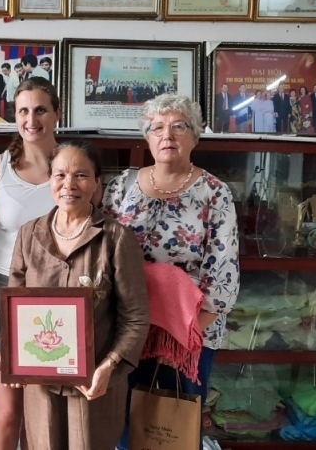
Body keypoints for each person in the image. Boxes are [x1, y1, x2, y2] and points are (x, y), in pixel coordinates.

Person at [102, 94, 240, 450]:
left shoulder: (215, 193)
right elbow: (101, 255)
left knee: (170, 427)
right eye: (157, 127)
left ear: (195, 136)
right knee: (123, 421)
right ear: (146, 137)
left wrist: (178, 337)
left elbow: (222, 277)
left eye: (179, 126)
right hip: (127, 329)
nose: (167, 135)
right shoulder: (121, 186)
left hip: (190, 333)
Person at [6, 140, 150, 450]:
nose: (69, 184)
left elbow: (135, 317)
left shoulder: (116, 239)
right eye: (60, 175)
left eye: (81, 175)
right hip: (40, 382)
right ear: (49, 179)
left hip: (94, 382)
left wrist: (109, 366)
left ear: (97, 182)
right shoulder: (29, 235)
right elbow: (14, 307)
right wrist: (15, 358)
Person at [0, 77, 61, 450]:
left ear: (56, 114)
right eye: (23, 111)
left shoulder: (74, 165)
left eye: (40, 110)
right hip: (0, 290)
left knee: (47, 409)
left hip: (58, 295)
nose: (31, 120)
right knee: (7, 411)